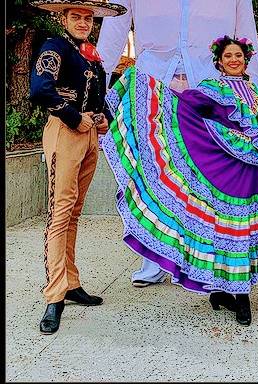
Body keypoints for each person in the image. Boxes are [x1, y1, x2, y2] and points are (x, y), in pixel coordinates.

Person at [101, 36, 258, 326]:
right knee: (227, 231)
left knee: (243, 232)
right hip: (224, 173)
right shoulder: (212, 88)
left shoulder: (255, 92)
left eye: (238, 55)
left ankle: (225, 293)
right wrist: (154, 91)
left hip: (253, 176)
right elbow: (185, 108)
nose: (234, 60)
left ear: (245, 60)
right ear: (219, 62)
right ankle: (240, 298)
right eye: (228, 56)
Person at [96, 0, 258, 287]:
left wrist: (254, 91)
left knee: (203, 178)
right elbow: (115, 24)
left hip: (210, 89)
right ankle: (154, 258)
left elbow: (247, 32)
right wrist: (96, 87)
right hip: (151, 84)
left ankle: (198, 260)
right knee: (150, 173)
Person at [29, 0, 127, 334]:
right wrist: (75, 116)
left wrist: (103, 119)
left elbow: (99, 98)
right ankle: (54, 294)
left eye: (88, 18)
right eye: (77, 17)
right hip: (65, 131)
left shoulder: (89, 53)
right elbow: (40, 90)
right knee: (60, 213)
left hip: (88, 136)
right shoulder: (54, 47)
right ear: (64, 18)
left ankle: (70, 282)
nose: (84, 22)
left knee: (74, 212)